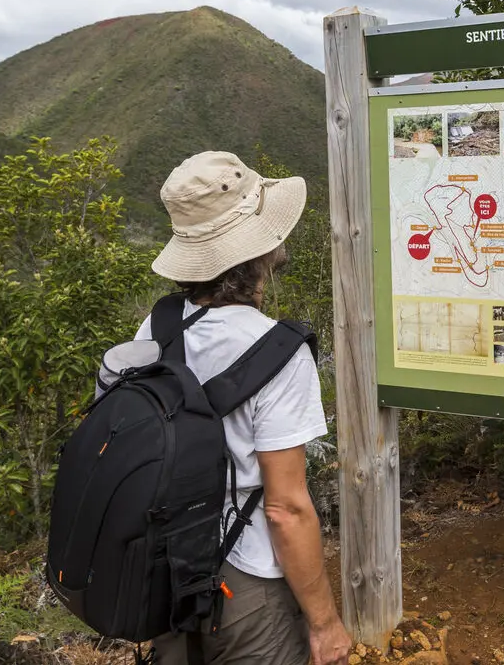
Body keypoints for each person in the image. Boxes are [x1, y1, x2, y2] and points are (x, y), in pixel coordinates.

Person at [139, 150, 351, 665]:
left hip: (164, 567)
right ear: (259, 248)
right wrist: (324, 625)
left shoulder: (157, 328)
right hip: (246, 579)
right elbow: (285, 508)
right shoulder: (278, 351)